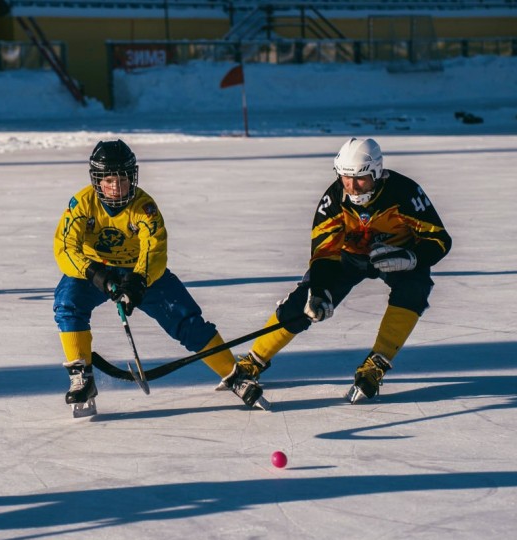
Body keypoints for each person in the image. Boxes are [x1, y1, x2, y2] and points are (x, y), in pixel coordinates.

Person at [230, 137, 453, 404]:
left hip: (396, 257)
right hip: (347, 258)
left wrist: (413, 258)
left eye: (360, 178)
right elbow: (323, 252)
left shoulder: (404, 193)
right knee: (304, 303)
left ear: (377, 173)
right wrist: (319, 291)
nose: (351, 186)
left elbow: (440, 240)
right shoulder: (334, 199)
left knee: (415, 289)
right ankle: (254, 360)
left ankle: (377, 363)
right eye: (345, 177)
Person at [53, 139, 262, 414]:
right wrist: (96, 275)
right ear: (97, 180)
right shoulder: (81, 204)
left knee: (185, 318)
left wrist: (138, 282)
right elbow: (65, 247)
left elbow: (154, 249)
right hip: (94, 270)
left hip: (138, 271)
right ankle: (82, 377)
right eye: (109, 180)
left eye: (123, 180)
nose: (117, 188)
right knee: (68, 303)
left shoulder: (144, 206)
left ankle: (233, 374)